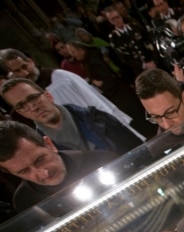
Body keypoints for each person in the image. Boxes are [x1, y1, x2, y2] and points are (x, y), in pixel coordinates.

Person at [0, 48, 151, 139]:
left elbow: (96, 102)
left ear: (31, 61)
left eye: (24, 66)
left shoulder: (61, 78)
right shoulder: (24, 101)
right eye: (17, 71)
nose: (25, 73)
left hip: (105, 129)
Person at [1, 78, 142, 155]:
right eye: (22, 105)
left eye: (33, 98)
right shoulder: (42, 149)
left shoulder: (98, 118)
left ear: (48, 95)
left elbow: (139, 150)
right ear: (20, 113)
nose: (32, 107)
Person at [0, 121, 118, 212]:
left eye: (40, 160)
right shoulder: (24, 201)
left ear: (50, 144)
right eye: (24, 171)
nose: (43, 173)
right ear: (11, 173)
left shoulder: (105, 161)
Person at [66, 40, 149, 130]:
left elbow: (107, 77)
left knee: (134, 110)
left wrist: (97, 83)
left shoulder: (94, 58)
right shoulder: (86, 60)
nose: (73, 56)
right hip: (112, 92)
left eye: (74, 52)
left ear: (80, 49)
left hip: (117, 90)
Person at [104, 6, 158, 79]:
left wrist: (153, 60)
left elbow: (150, 43)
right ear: (110, 22)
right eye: (113, 19)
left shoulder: (135, 27)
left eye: (117, 17)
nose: (117, 20)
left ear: (121, 16)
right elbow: (124, 58)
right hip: (140, 70)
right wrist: (144, 65)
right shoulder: (114, 38)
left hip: (153, 62)